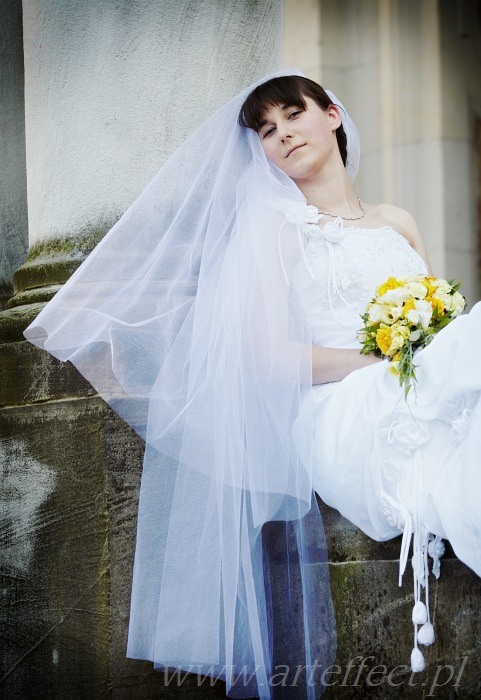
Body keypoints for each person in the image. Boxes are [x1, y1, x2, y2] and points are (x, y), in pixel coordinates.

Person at [23, 71, 481, 698]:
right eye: (266, 130)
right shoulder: (276, 229)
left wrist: (419, 356)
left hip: (407, 379)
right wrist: (381, 361)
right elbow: (270, 357)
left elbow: (443, 322)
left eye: (293, 114)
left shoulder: (398, 220)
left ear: (334, 115)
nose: (283, 133)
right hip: (341, 406)